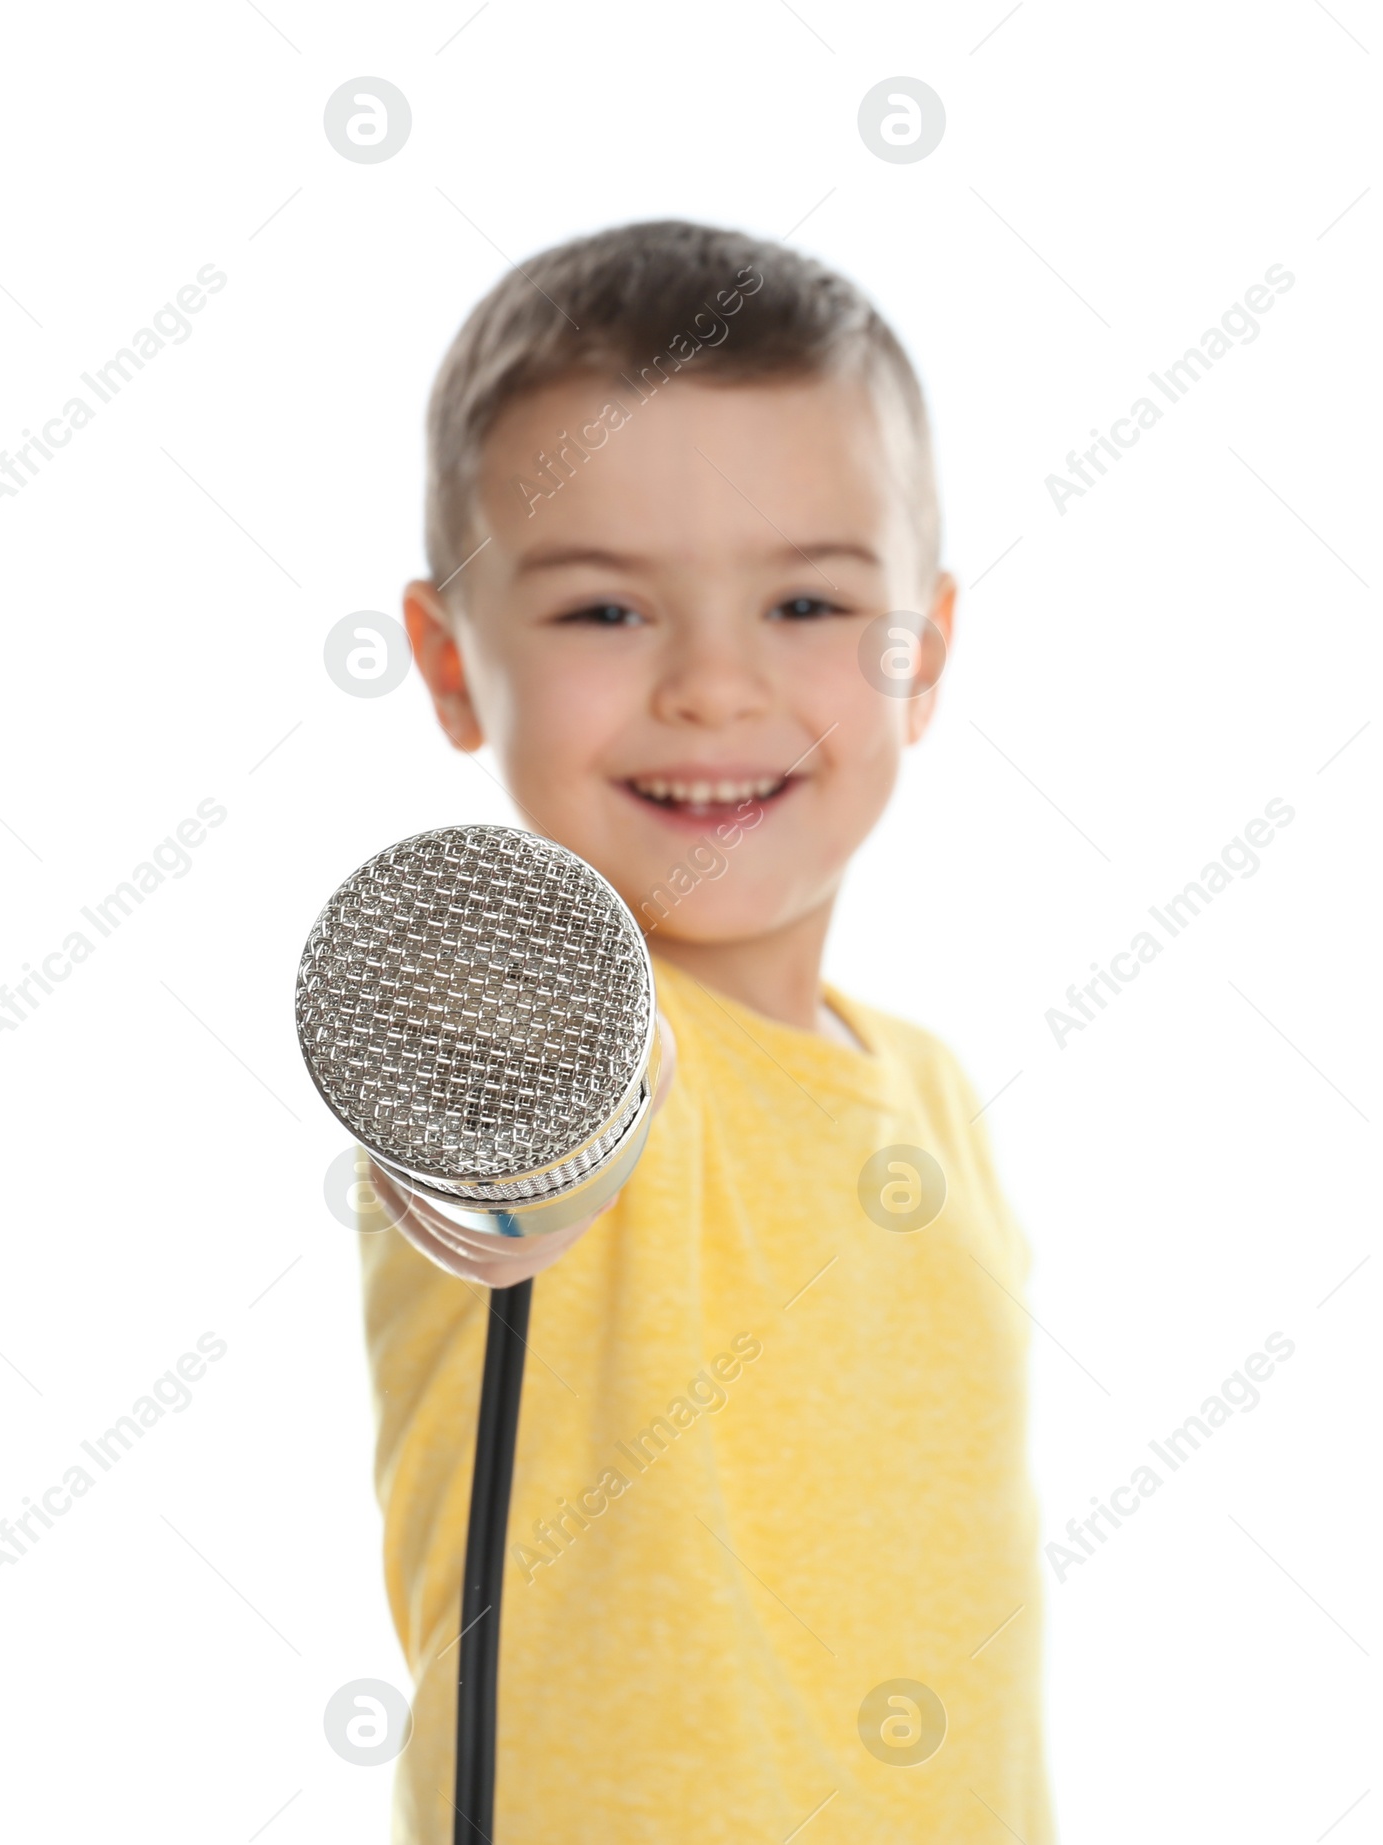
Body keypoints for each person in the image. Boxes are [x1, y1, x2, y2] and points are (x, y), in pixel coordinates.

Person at [354, 218, 1052, 1843]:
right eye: (607, 614)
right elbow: (457, 1026)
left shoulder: (935, 1091)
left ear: (922, 653)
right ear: (454, 664)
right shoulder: (554, 1042)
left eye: (807, 602)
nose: (716, 687)